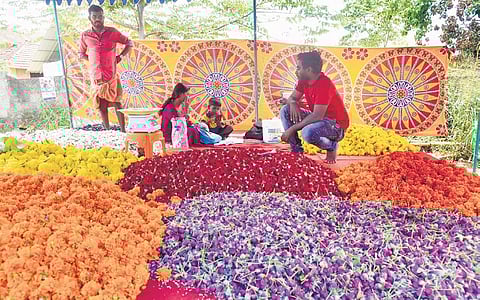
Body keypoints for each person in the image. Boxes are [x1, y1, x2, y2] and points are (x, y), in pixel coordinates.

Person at [280, 51, 350, 164]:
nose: (296, 71)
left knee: (308, 132)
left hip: (336, 125)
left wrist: (291, 129)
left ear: (309, 69)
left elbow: (317, 115)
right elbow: (292, 98)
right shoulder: (303, 81)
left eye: (298, 68)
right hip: (320, 119)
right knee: (285, 110)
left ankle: (331, 146)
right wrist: (292, 103)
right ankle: (297, 151)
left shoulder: (324, 84)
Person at [79, 4, 132, 132]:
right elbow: (81, 54)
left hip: (111, 76)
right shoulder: (85, 35)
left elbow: (129, 43)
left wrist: (120, 57)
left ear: (104, 17)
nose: (98, 19)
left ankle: (123, 131)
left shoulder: (112, 32)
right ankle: (107, 131)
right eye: (95, 16)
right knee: (101, 105)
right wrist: (92, 62)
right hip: (97, 78)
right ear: (89, 18)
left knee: (117, 103)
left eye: (100, 17)